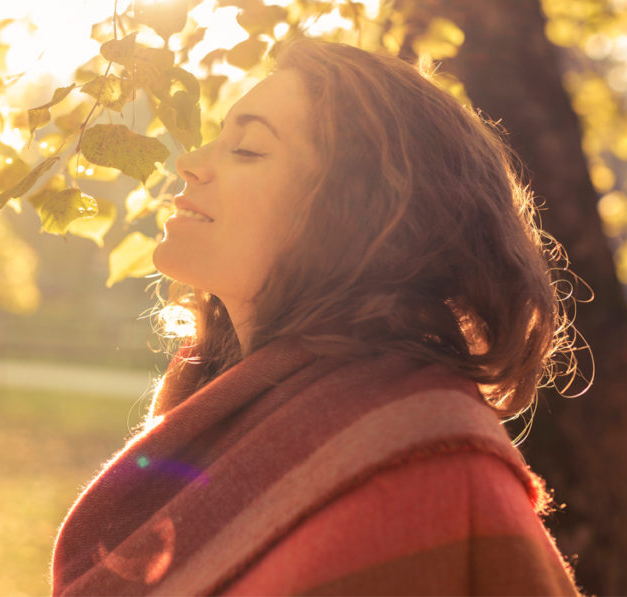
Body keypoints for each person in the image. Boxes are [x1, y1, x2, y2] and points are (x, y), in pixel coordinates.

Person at [51, 39, 584, 595]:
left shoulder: (422, 465)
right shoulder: (216, 413)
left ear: (357, 212)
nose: (187, 162)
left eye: (249, 149)